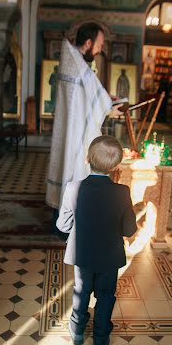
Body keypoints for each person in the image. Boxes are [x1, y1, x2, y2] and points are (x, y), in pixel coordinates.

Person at [56, 135, 137, 345]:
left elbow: (63, 225)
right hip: (110, 257)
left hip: (82, 255)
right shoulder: (122, 192)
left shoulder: (73, 188)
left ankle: (77, 330)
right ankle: (100, 342)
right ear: (116, 166)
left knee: (81, 291)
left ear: (86, 159)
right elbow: (129, 230)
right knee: (106, 295)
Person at [46, 22, 124, 213]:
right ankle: (72, 216)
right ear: (88, 43)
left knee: (67, 168)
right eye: (98, 45)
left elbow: (84, 99)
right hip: (77, 132)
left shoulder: (72, 62)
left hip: (69, 129)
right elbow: (95, 100)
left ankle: (62, 214)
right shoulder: (81, 69)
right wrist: (109, 110)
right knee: (76, 169)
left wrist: (105, 102)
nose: (99, 49)